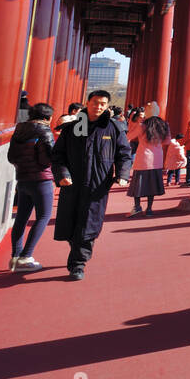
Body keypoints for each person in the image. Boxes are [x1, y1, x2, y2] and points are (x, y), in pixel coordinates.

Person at [50, 90, 132, 281]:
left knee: (88, 224)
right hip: (72, 184)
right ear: (88, 103)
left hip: (97, 186)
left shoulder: (113, 128)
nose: (99, 107)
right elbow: (57, 155)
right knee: (70, 223)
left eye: (103, 103)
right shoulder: (72, 128)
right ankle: (77, 250)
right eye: (95, 102)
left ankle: (78, 264)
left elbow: (124, 154)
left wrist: (122, 174)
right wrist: (62, 174)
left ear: (107, 106)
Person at [6, 102, 56, 272]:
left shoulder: (19, 129)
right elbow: (48, 157)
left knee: (21, 218)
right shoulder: (45, 130)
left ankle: (15, 256)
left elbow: (11, 157)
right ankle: (26, 256)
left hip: (23, 179)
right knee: (43, 217)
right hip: (41, 180)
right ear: (47, 117)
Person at [128, 114, 170, 216]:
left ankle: (137, 207)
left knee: (138, 185)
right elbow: (167, 141)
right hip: (157, 160)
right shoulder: (164, 125)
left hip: (143, 158)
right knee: (152, 186)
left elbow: (129, 136)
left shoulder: (142, 126)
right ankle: (149, 209)